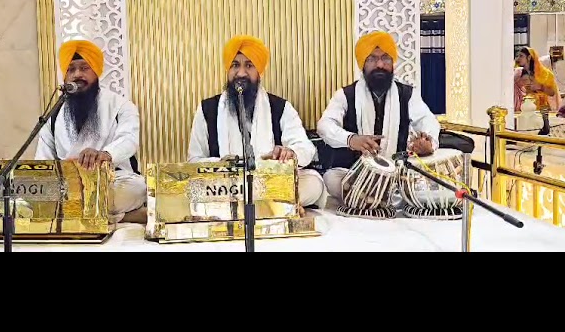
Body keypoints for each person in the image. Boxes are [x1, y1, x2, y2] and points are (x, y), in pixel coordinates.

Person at [187, 35, 327, 209]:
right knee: (190, 186)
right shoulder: (207, 109)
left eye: (249, 65)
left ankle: (257, 203)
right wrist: (224, 165)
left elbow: (306, 148)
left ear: (259, 71)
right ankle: (275, 206)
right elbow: (194, 160)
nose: (241, 73)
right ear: (227, 70)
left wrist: (289, 153)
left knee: (314, 183)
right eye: (235, 65)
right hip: (225, 186)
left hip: (269, 182)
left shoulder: (280, 107)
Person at [317, 31, 441, 202]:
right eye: (372, 59)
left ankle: (368, 200)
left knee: (427, 179)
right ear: (363, 64)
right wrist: (351, 139)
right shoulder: (346, 95)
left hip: (398, 175)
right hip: (356, 175)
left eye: (386, 58)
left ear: (392, 62)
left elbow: (428, 121)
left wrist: (428, 143)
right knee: (331, 178)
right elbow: (324, 126)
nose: (380, 65)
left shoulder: (408, 95)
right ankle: (372, 198)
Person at [35, 40, 147, 224]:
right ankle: (124, 216)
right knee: (34, 192)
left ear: (96, 72)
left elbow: (129, 140)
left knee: (136, 189)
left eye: (84, 68)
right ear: (65, 76)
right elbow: (43, 159)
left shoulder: (120, 106)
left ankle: (72, 213)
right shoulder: (53, 115)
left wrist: (105, 154)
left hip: (113, 180)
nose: (77, 74)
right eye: (71, 69)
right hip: (68, 185)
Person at [514, 47, 561, 112]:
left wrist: (540, 87)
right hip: (523, 108)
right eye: (517, 56)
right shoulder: (517, 74)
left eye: (521, 56)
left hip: (541, 109)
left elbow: (552, 93)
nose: (518, 59)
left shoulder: (545, 74)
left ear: (529, 57)